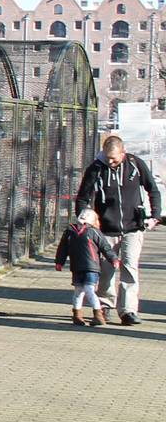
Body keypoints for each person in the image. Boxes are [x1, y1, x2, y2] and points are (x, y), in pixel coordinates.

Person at [75, 136, 162, 326]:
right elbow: (82, 197)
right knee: (106, 270)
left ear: (122, 153)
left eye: (114, 158)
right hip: (105, 230)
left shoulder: (135, 164)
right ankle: (105, 305)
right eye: (107, 157)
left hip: (133, 227)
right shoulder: (96, 168)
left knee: (130, 268)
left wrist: (155, 215)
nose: (110, 161)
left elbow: (152, 189)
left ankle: (128, 311)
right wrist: (85, 221)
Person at [55, 208, 118, 326]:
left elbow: (105, 247)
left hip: (91, 267)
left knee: (89, 289)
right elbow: (62, 249)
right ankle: (77, 315)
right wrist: (59, 261)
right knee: (78, 290)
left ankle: (98, 314)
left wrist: (113, 258)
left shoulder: (94, 232)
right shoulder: (69, 232)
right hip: (77, 267)